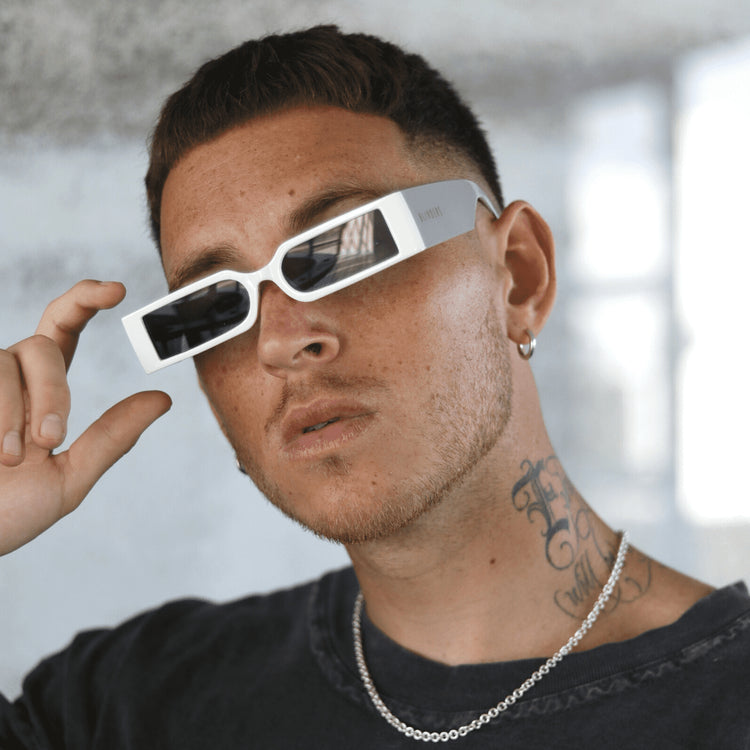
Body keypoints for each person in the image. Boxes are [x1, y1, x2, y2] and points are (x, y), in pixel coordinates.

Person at [0, 25, 747, 749]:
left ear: (519, 275)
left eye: (346, 249)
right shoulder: (123, 706)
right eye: (213, 307)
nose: (279, 341)